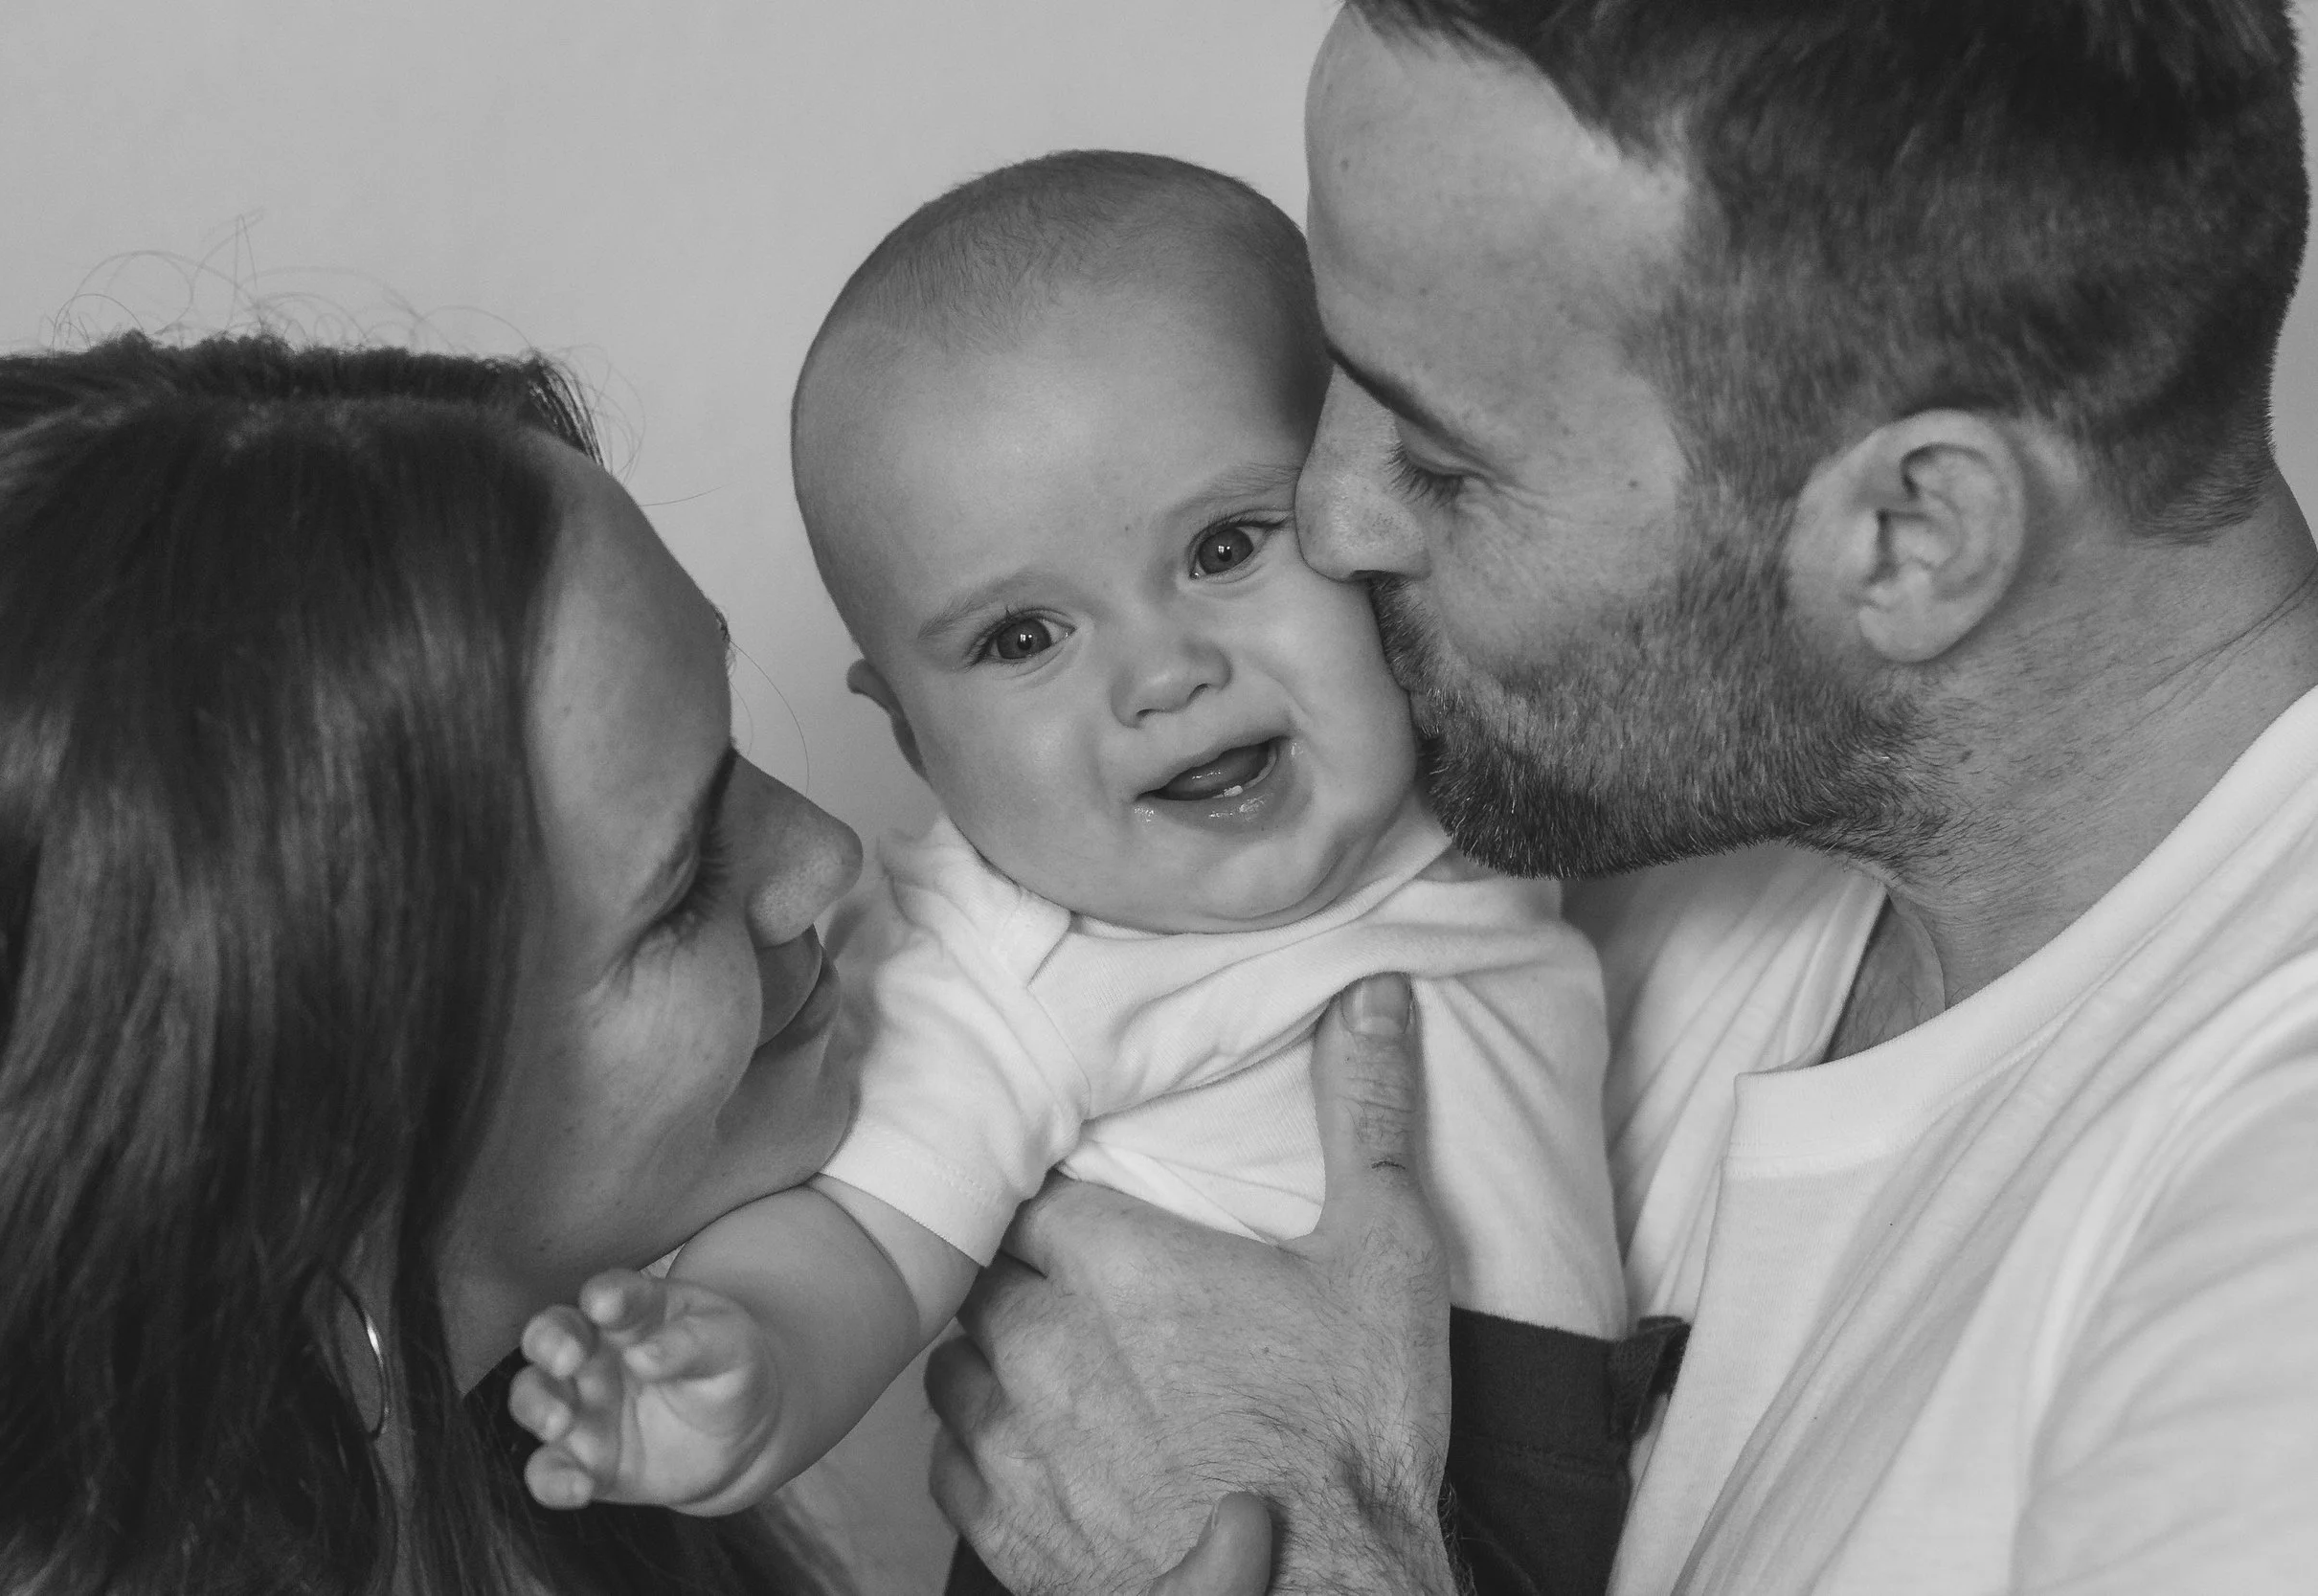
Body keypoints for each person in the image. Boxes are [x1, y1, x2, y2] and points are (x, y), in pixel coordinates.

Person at [921, 3, 2318, 1594]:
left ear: (1915, 535)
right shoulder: (1573, 818)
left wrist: (1326, 1549)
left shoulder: (2271, 1249)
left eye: (1443, 461)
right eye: (1333, 379)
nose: (1325, 514)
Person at [0, 330, 1259, 1596]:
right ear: (325, 1143)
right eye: (680, 888)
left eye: (732, 748)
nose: (827, 858)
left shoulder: (577, 1471)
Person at [509, 151, 1644, 1596]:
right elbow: (863, 1235)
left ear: (1376, 506)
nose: (1164, 674)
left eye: (1228, 545)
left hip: (1525, 1463)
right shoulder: (1008, 952)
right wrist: (739, 1363)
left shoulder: (1470, 748)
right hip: (1187, 1518)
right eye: (1023, 639)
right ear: (914, 739)